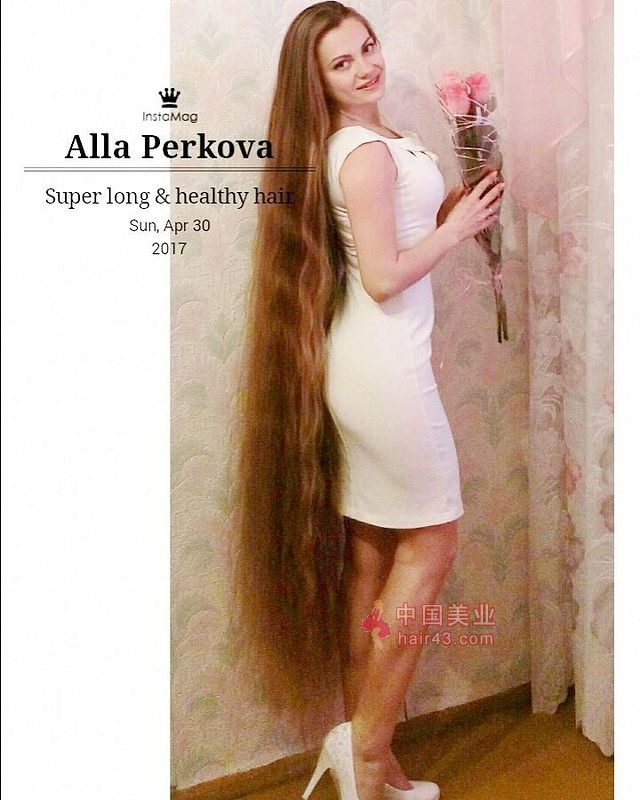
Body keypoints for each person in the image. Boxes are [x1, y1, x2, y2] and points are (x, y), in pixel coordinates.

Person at [232, 3, 504, 800]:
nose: (365, 67)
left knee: (373, 555)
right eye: (342, 63)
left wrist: (451, 211)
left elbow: (388, 240)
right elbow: (383, 276)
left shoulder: (366, 141)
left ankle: (368, 763)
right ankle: (367, 750)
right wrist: (458, 231)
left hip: (366, 364)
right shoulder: (362, 152)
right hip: (387, 370)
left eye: (368, 47)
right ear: (317, 82)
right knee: (434, 544)